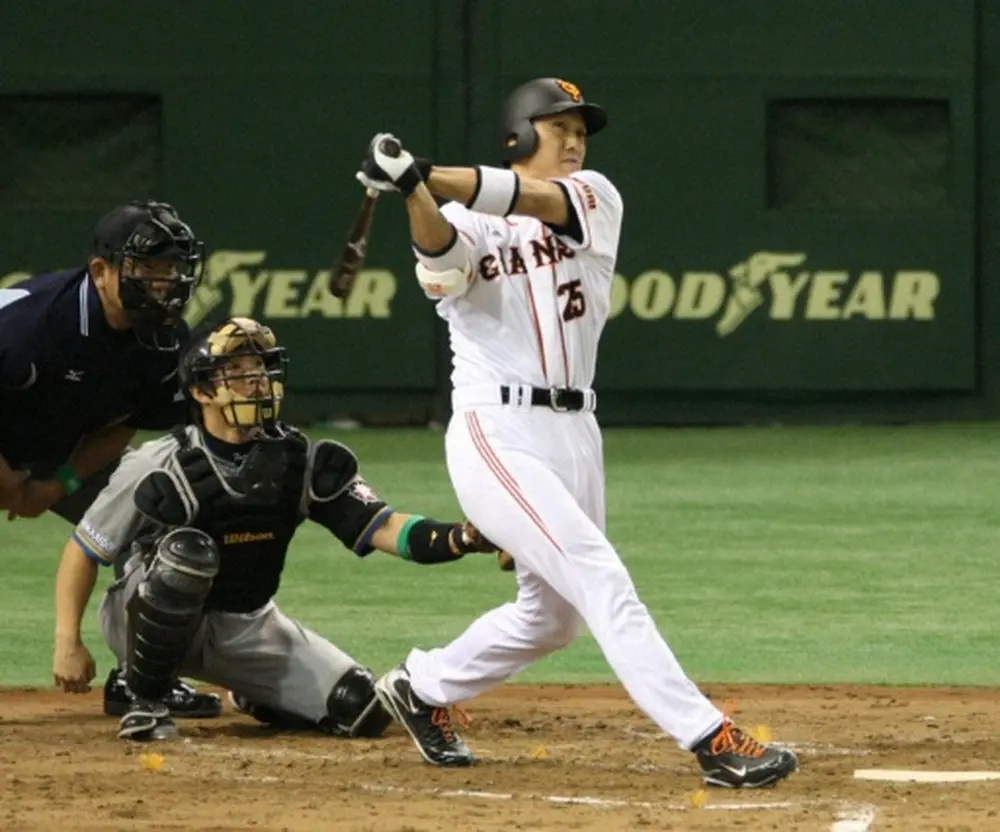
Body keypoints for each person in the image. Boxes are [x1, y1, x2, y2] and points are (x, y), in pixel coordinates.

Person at [353, 77, 799, 788]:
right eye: (556, 125)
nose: (573, 138)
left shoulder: (595, 195)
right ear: (520, 135)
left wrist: (422, 172)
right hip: (494, 429)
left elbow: (531, 200)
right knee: (599, 574)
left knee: (552, 620)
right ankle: (710, 738)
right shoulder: (466, 221)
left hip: (575, 430)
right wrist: (415, 192)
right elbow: (441, 257)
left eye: (579, 127)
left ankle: (423, 685)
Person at [52, 317, 499, 741]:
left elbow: (382, 526)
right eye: (237, 371)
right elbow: (85, 549)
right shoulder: (156, 464)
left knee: (359, 709)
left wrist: (461, 537)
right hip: (143, 614)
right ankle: (143, 696)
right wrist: (67, 642)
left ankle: (255, 692)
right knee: (186, 557)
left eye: (260, 369)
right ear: (202, 391)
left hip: (247, 624)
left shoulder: (298, 459)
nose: (256, 381)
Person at [0, 200, 222, 720]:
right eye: (148, 269)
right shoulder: (32, 324)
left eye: (172, 269)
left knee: (162, 517)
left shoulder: (165, 340)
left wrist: (59, 484)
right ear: (101, 272)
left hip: (60, 449)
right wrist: (8, 481)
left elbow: (127, 421)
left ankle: (143, 677)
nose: (165, 282)